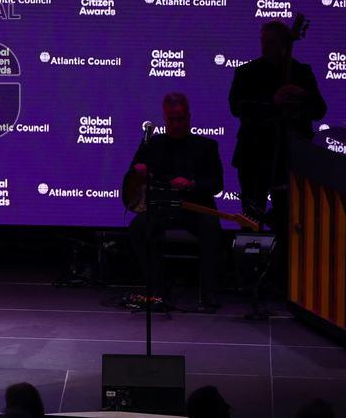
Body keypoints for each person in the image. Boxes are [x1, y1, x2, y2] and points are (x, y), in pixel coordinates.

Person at [124, 93, 223, 310]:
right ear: (165, 119)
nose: (176, 124)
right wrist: (139, 171)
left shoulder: (206, 146)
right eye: (171, 120)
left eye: (181, 119)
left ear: (189, 117)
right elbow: (134, 172)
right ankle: (157, 290)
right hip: (162, 208)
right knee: (138, 227)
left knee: (212, 228)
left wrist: (192, 184)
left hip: (196, 209)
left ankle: (209, 294)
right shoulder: (153, 144)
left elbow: (217, 184)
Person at [229, 20, 327, 227]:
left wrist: (303, 96)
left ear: (285, 44)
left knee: (290, 216)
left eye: (271, 43)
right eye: (263, 42)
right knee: (251, 215)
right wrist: (272, 103)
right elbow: (237, 107)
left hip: (290, 156)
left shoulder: (301, 72)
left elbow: (319, 110)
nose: (265, 47)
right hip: (254, 154)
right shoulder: (247, 72)